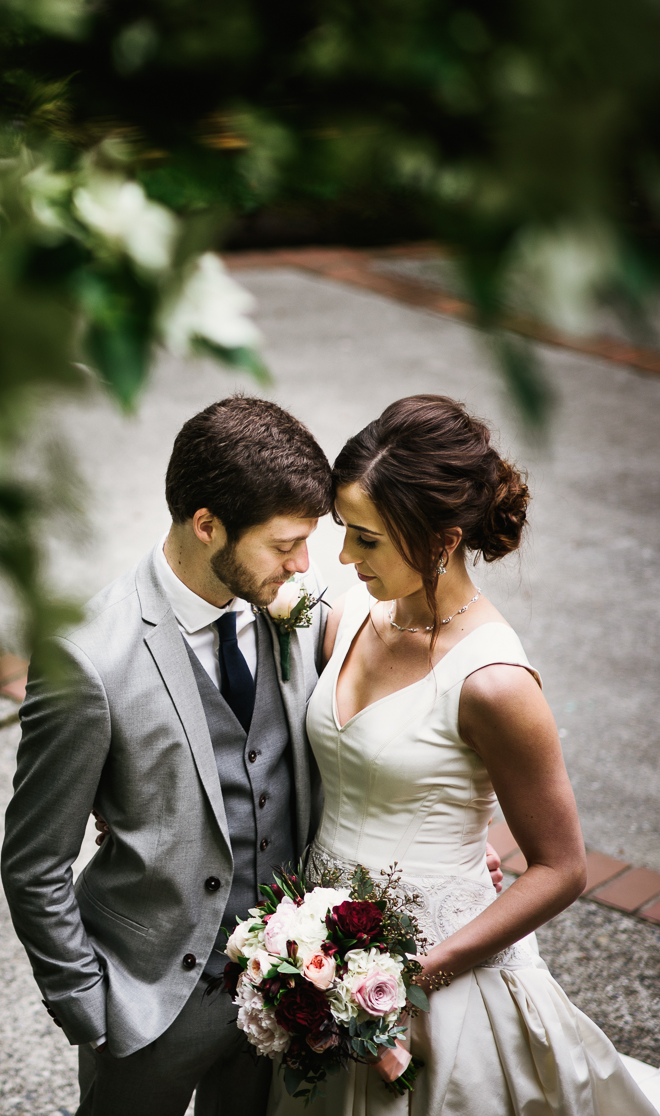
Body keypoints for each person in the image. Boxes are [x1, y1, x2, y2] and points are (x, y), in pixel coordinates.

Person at [285, 394, 658, 1115]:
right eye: (344, 532)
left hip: (440, 970)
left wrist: (418, 975)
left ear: (441, 541)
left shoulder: (494, 682)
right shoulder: (350, 615)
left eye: (365, 540)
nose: (342, 557)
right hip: (316, 955)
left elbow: (561, 867)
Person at [1, 395, 334, 1116]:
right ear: (206, 524)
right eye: (284, 545)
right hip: (149, 1001)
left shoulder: (297, 611)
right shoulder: (89, 658)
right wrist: (87, 1003)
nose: (304, 564)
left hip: (284, 988)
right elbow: (34, 861)